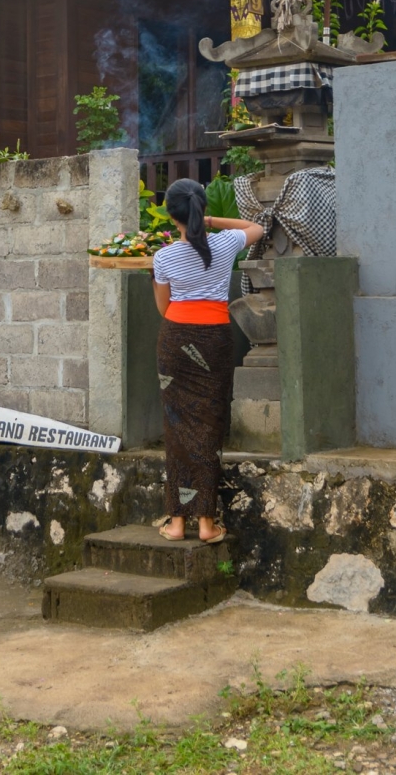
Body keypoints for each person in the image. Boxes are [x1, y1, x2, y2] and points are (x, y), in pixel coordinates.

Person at [152, 178, 264, 543]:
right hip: (214, 338)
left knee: (177, 426)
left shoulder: (164, 256)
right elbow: (257, 228)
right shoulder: (224, 242)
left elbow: (163, 307)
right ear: (200, 209)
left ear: (172, 216)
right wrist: (212, 221)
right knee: (209, 426)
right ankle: (205, 523)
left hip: (175, 337)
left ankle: (176, 522)